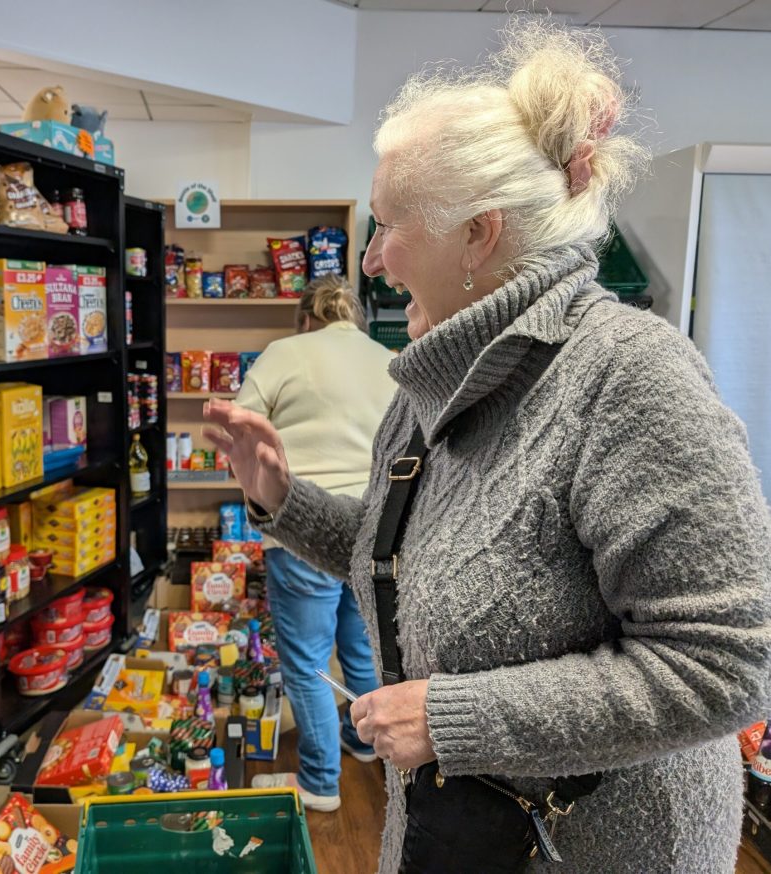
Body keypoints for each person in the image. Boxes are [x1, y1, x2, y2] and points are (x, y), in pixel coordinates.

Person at [204, 18, 771, 874]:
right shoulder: (428, 379)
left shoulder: (628, 377)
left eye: (389, 225)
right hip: (453, 831)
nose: (371, 259)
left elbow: (728, 664)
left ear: (480, 234)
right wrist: (283, 502)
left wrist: (453, 718)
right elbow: (403, 562)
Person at [235, 274, 397, 812]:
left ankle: (320, 781)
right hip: (373, 531)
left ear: (306, 318)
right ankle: (364, 743)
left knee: (306, 663)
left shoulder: (286, 352)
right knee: (360, 648)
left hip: (305, 526)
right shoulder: (386, 358)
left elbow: (242, 425)